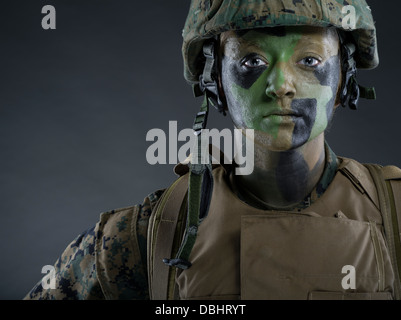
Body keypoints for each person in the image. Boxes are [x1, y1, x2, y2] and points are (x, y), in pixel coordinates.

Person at [24, 0, 401, 300]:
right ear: (215, 83)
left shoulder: (395, 215)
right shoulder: (147, 237)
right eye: (252, 61)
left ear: (343, 81)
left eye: (310, 61)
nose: (282, 85)